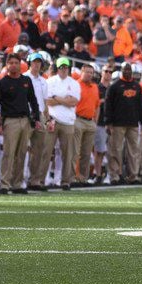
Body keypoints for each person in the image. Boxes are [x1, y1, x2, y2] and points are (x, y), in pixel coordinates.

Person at [0, 54, 40, 194]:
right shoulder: (2, 83)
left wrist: (36, 118)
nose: (13, 65)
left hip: (25, 120)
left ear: (20, 64)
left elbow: (33, 100)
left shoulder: (26, 80)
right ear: (6, 65)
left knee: (22, 153)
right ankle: (5, 184)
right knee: (8, 153)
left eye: (16, 62)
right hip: (10, 121)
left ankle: (17, 184)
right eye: (10, 63)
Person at [105, 62, 142, 184]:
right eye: (125, 70)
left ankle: (133, 175)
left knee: (133, 150)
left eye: (129, 70)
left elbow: (141, 106)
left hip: (133, 123)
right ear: (121, 71)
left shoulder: (136, 86)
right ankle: (115, 176)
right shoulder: (114, 86)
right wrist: (108, 122)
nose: (127, 72)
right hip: (117, 123)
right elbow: (108, 106)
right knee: (116, 150)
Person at [43, 57, 81, 190]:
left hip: (68, 121)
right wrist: (65, 100)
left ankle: (65, 181)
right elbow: (47, 101)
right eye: (61, 67)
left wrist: (56, 98)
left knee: (67, 153)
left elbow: (74, 102)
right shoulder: (50, 81)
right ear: (57, 69)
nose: (63, 69)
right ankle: (41, 179)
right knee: (46, 151)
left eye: (66, 67)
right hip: (52, 119)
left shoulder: (75, 83)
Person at [25, 52, 51, 191]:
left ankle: (34, 180)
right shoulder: (24, 78)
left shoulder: (43, 81)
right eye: (34, 61)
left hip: (40, 114)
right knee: (21, 148)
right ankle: (16, 179)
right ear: (29, 62)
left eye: (39, 62)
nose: (37, 64)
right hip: (26, 114)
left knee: (38, 150)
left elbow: (45, 103)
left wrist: (47, 119)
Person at [73, 63, 100, 185]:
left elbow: (97, 105)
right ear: (81, 72)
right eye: (87, 72)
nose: (89, 74)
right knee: (75, 150)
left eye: (91, 72)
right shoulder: (75, 85)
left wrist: (95, 120)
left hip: (90, 121)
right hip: (77, 119)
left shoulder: (95, 87)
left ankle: (83, 178)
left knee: (86, 152)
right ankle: (73, 176)